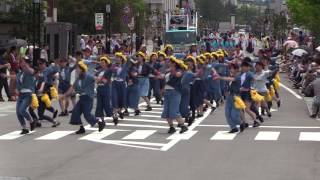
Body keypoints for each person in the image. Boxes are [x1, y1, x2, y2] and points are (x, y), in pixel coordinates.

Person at [63, 61, 105, 134]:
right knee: (75, 112)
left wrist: (102, 80)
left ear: (82, 69)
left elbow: (96, 79)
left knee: (87, 114)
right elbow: (72, 87)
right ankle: (81, 128)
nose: (77, 70)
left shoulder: (88, 76)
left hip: (88, 98)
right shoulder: (78, 79)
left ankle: (100, 122)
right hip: (82, 98)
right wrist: (65, 95)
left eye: (78, 68)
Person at [162, 56, 188, 134]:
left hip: (175, 92)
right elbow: (164, 81)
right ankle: (171, 127)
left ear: (173, 63)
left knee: (174, 111)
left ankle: (183, 126)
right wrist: (162, 89)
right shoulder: (167, 71)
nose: (167, 62)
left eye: (169, 61)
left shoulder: (179, 70)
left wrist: (172, 70)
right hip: (167, 92)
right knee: (166, 112)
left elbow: (178, 75)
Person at [16, 57, 36, 134]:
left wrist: (26, 65)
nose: (21, 64)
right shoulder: (19, 74)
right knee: (18, 112)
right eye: (20, 63)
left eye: (23, 62)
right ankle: (24, 128)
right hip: (21, 95)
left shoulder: (29, 72)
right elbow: (18, 84)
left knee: (22, 110)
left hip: (28, 94)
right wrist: (17, 90)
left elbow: (32, 71)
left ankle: (31, 121)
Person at [95, 56, 113, 121]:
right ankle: (102, 120)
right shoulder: (99, 70)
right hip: (99, 88)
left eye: (103, 62)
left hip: (106, 89)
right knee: (99, 105)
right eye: (101, 62)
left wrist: (98, 79)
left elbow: (105, 80)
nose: (101, 63)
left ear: (106, 63)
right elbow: (95, 78)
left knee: (106, 105)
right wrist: (98, 79)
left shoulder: (109, 70)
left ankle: (114, 116)